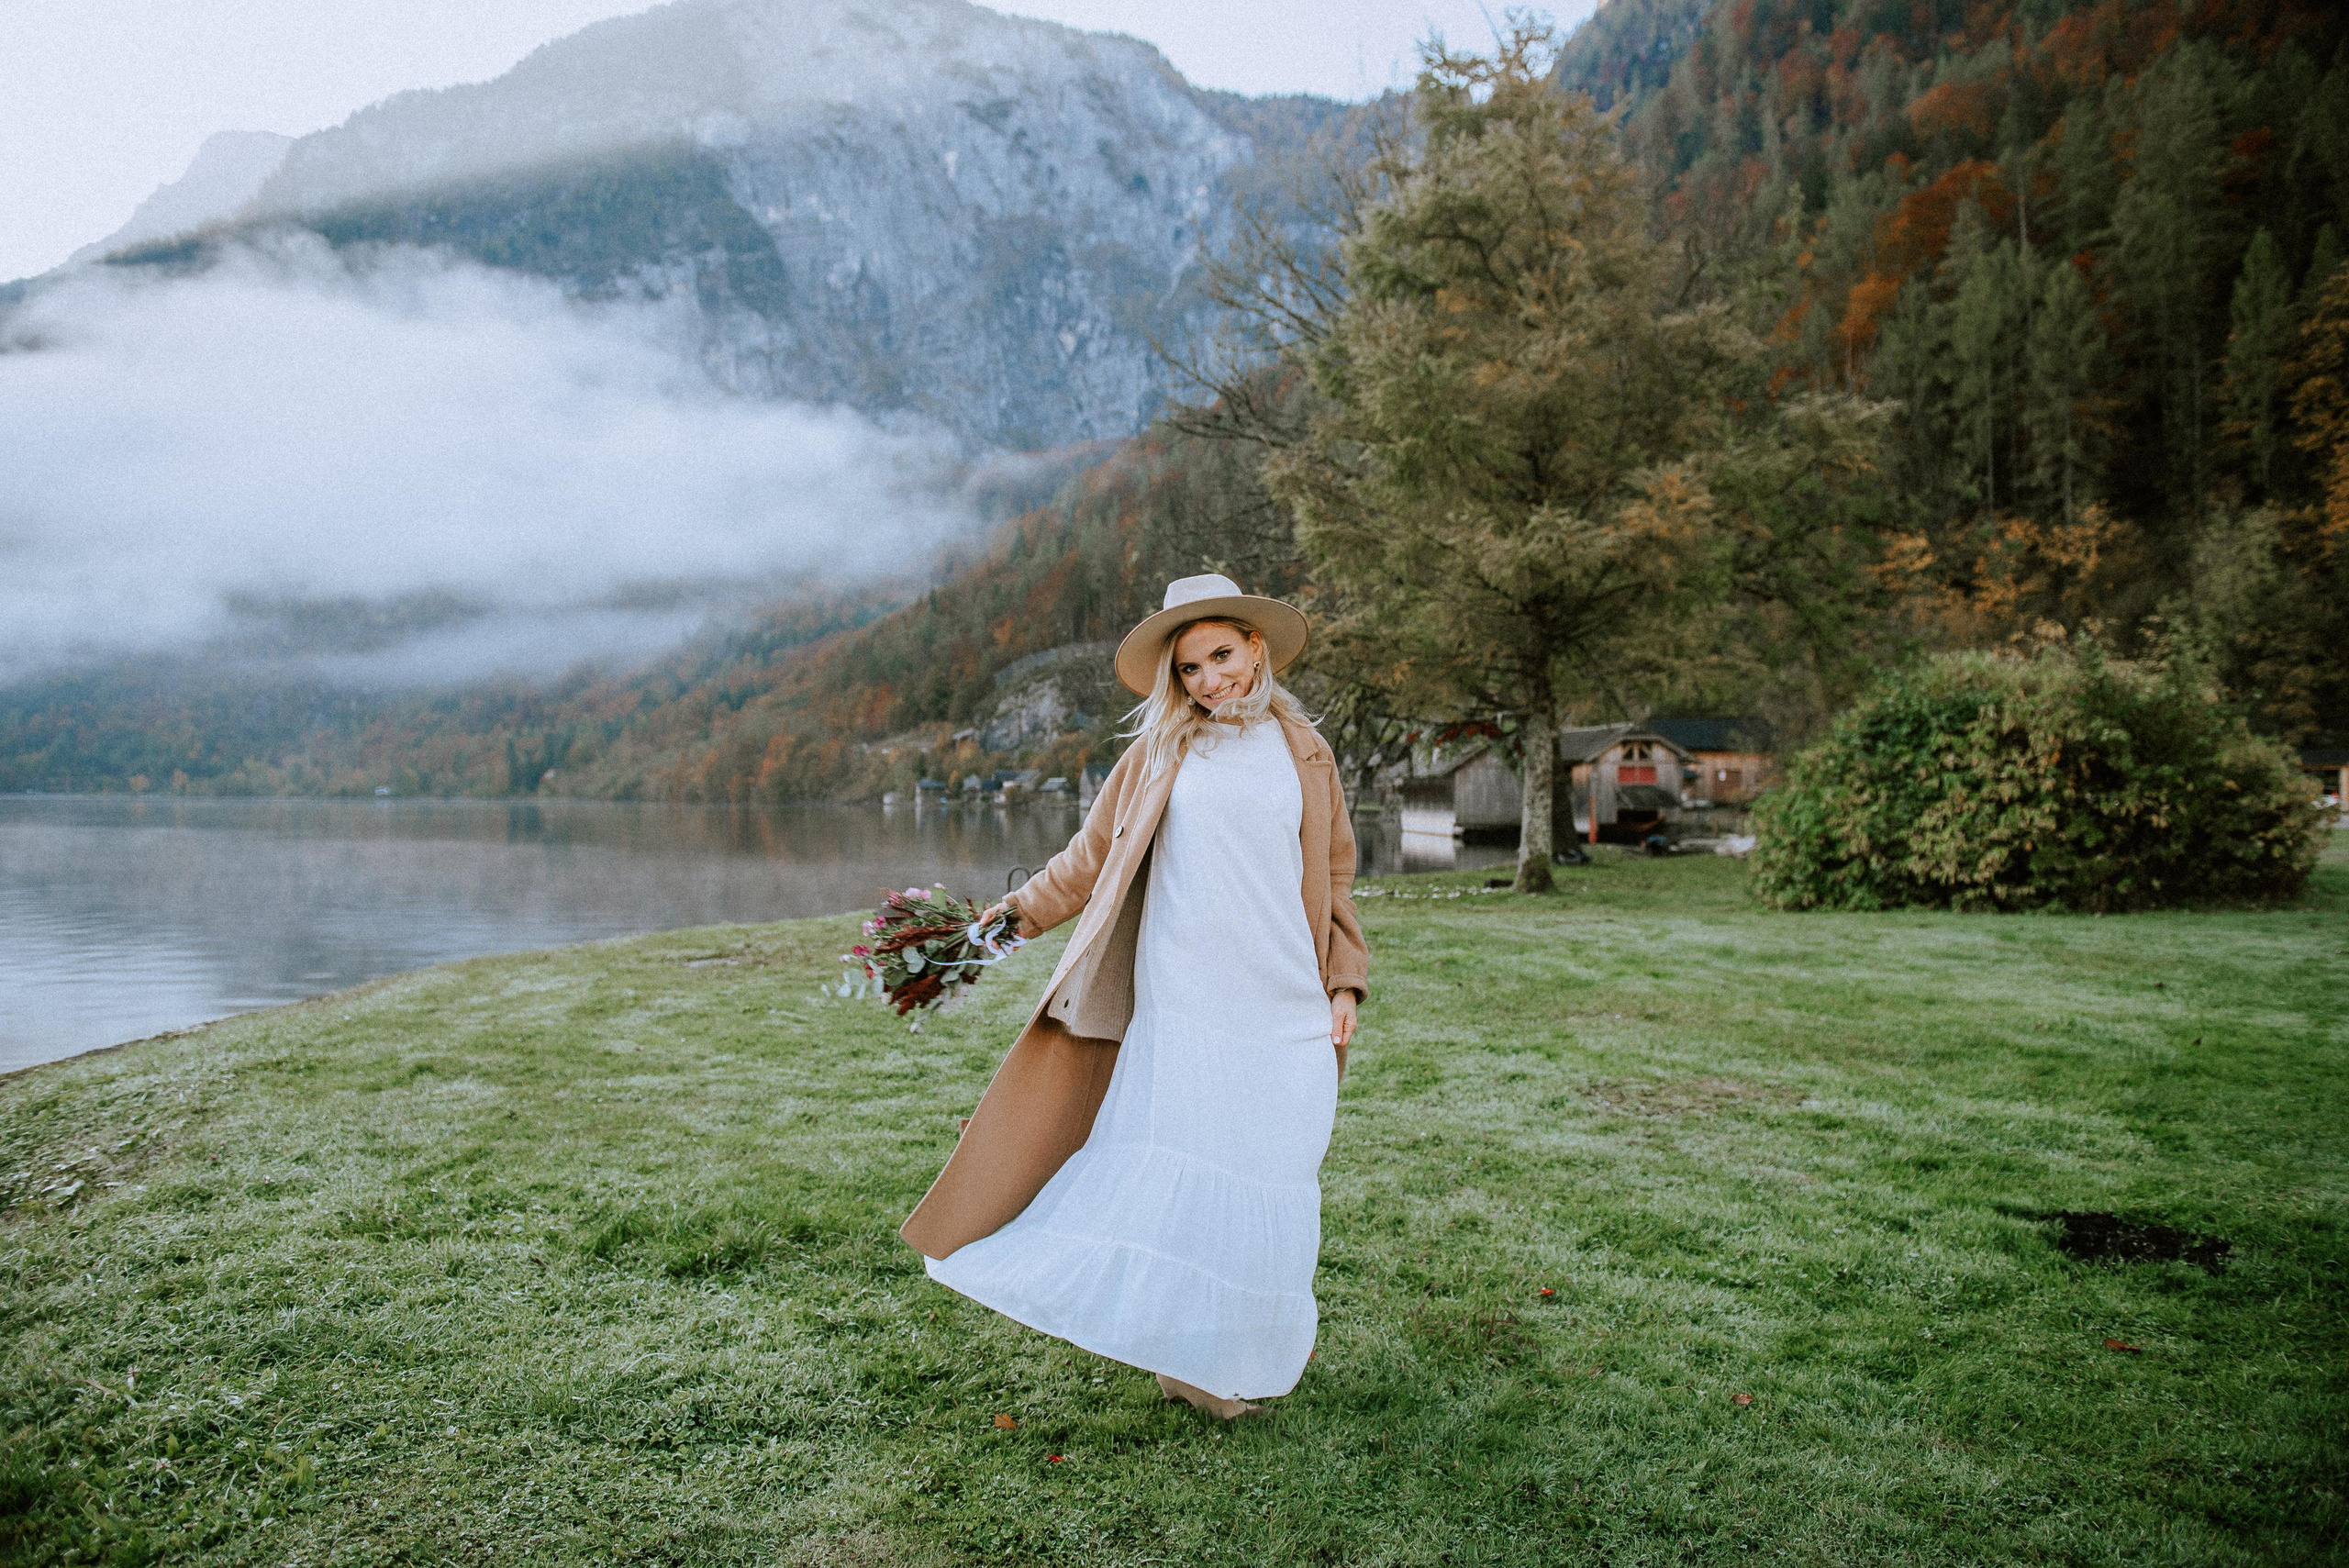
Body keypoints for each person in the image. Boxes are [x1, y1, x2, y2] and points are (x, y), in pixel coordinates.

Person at [899, 573, 1370, 1419]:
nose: (1209, 679)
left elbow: (1335, 875)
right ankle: (1192, 1364)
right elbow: (1083, 863)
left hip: (1285, 993)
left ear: (1256, 646)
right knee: (1190, 1166)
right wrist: (995, 928)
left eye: (1221, 656)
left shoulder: (1306, 751)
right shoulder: (1160, 752)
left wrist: (1344, 981)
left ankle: (1207, 1349)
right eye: (1189, 668)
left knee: (1273, 1163)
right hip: (1189, 995)